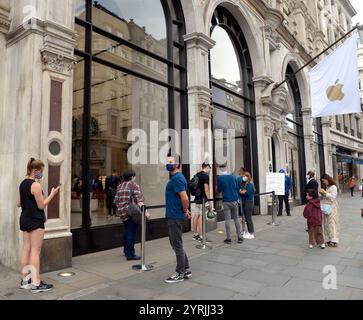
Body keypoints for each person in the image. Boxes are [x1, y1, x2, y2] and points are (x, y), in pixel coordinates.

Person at [17, 158, 60, 293]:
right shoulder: (35, 185)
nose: (42, 174)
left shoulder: (22, 184)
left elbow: (18, 203)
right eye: (41, 171)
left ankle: (25, 281)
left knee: (26, 249)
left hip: (24, 219)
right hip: (35, 220)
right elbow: (41, 205)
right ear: (36, 170)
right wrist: (52, 194)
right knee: (35, 251)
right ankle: (36, 283)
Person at [164, 155, 192, 283]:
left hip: (175, 216)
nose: (168, 163)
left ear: (177, 164)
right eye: (167, 161)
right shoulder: (176, 178)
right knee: (177, 243)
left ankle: (180, 272)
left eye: (170, 162)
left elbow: (185, 198)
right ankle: (186, 269)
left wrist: (185, 211)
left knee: (176, 244)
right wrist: (185, 210)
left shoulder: (177, 179)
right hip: (174, 214)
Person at [114, 170, 149, 261]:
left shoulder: (119, 186)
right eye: (134, 176)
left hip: (122, 213)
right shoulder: (134, 185)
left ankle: (126, 250)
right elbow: (139, 200)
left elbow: (116, 200)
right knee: (131, 233)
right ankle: (130, 254)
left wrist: (121, 208)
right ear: (132, 177)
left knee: (127, 232)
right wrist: (145, 212)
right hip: (131, 212)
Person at [217, 164, 243, 244]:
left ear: (221, 170)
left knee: (227, 220)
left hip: (226, 200)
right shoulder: (234, 177)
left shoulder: (220, 178)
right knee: (236, 219)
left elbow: (219, 190)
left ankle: (229, 238)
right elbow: (238, 188)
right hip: (234, 200)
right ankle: (240, 237)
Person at [192, 163, 212, 242]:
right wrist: (209, 201)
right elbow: (206, 189)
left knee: (196, 215)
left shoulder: (197, 175)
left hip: (197, 198)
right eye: (209, 168)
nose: (210, 169)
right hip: (203, 199)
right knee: (201, 216)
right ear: (206, 167)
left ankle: (195, 234)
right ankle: (201, 235)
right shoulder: (205, 176)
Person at [320, 174, 340, 247]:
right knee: (326, 223)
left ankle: (334, 240)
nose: (324, 182)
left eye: (324, 181)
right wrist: (323, 194)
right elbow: (326, 197)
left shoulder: (333, 187)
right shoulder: (327, 187)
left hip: (332, 207)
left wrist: (325, 193)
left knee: (332, 223)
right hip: (326, 207)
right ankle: (329, 239)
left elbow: (333, 197)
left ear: (327, 179)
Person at [239, 172, 255, 240]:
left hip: (249, 202)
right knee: (246, 217)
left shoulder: (250, 185)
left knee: (248, 218)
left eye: (245, 176)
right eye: (243, 176)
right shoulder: (244, 184)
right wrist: (242, 192)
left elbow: (247, 193)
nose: (244, 177)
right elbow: (240, 191)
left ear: (248, 177)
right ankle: (249, 231)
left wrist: (242, 192)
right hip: (244, 202)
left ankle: (251, 232)